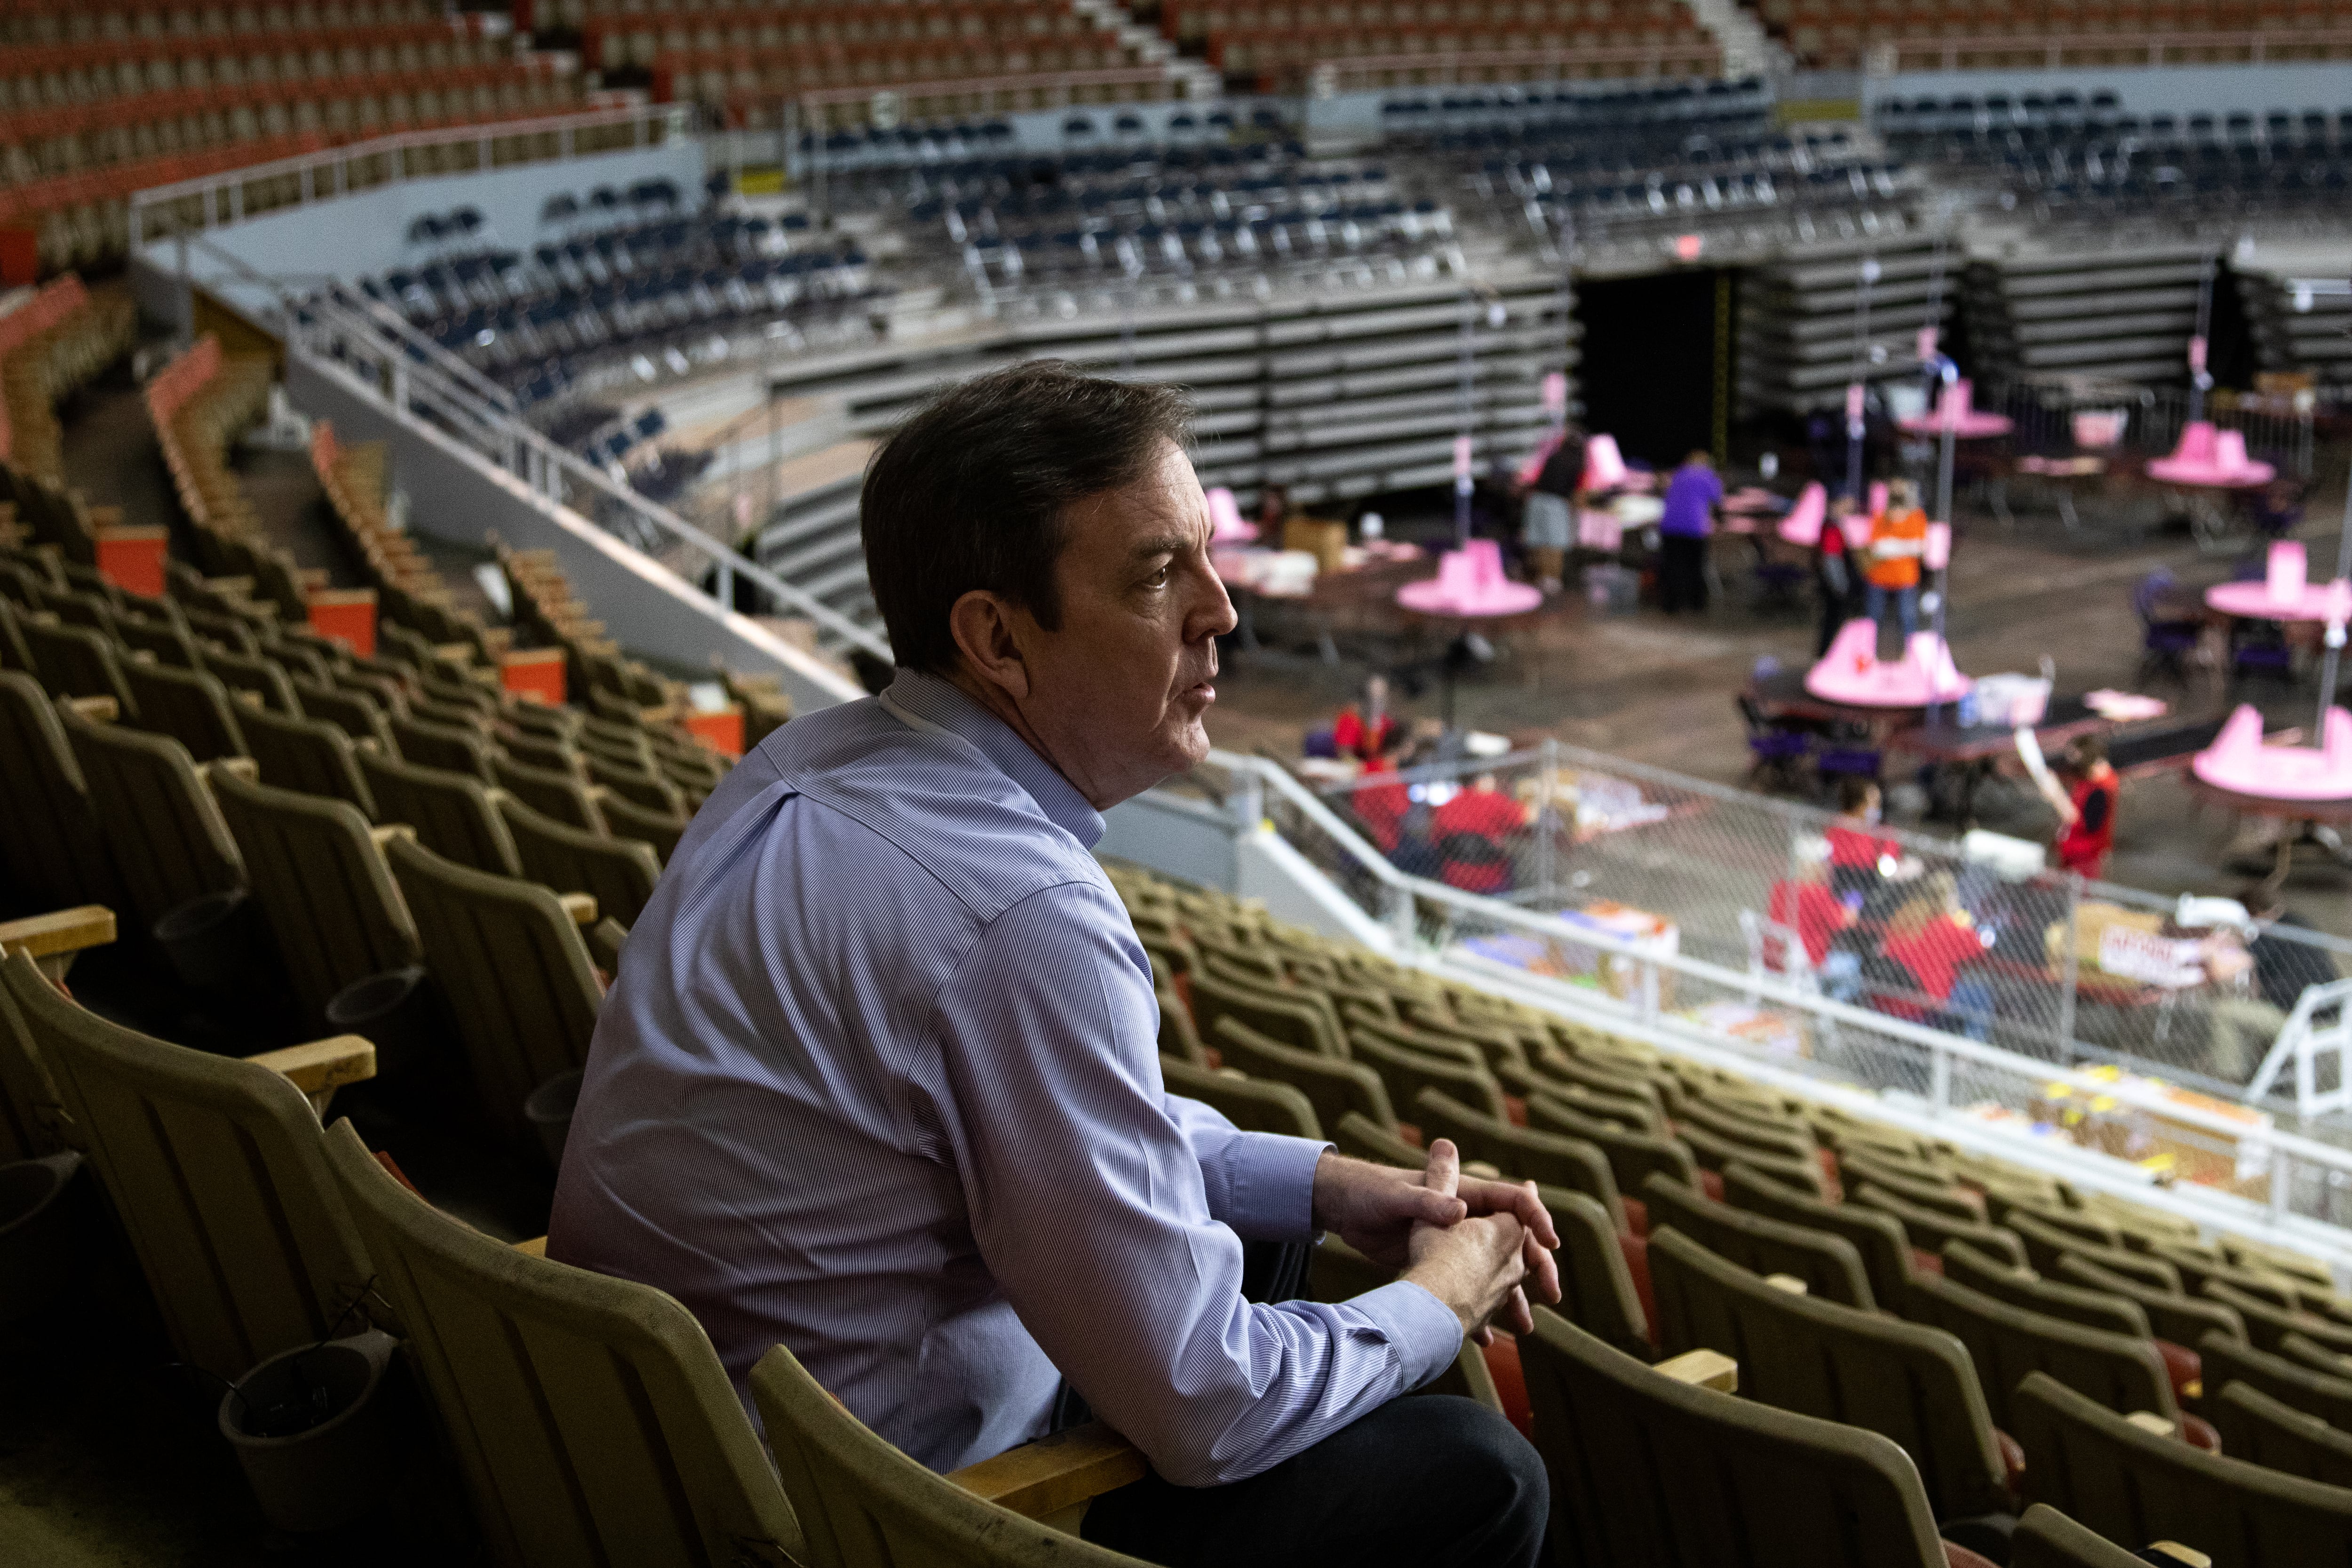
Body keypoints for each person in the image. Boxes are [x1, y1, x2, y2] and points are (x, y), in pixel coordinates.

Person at [548, 362, 1556, 1568]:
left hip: (700, 1453)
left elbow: (1004, 1114)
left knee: (1258, 1234)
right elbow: (1209, 1409)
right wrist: (1441, 1301)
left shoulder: (796, 766)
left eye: (1206, 555)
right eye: (1156, 573)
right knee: (1480, 1476)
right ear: (996, 639)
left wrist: (1323, 1183)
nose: (1220, 611)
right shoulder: (1021, 910)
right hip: (881, 1519)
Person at [2202, 884, 2341, 1080]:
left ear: (2254, 914)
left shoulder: (2269, 933)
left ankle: (2229, 1078)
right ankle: (2264, 1071)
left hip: (2302, 1021)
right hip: (2331, 1016)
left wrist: (2218, 948)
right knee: (2254, 1008)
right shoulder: (2299, 922)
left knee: (2226, 1011)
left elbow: (2226, 969)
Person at [2036, 734, 2119, 880]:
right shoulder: (2090, 780)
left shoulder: (2101, 789)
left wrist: (2056, 795)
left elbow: (2085, 823)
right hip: (2074, 852)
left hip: (2084, 857)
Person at [1432, 772, 1528, 894]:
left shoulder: (1447, 806)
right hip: (1491, 880)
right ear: (1483, 780)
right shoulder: (1494, 802)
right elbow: (1526, 817)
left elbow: (1436, 842)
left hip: (1454, 879)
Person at [1519, 424, 1585, 595]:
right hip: (1556, 503)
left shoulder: (1554, 457)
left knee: (1541, 541)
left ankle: (1544, 578)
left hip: (1537, 500)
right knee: (1556, 543)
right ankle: (1553, 579)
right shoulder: (1577, 463)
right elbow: (1577, 492)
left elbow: (1538, 479)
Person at [1656, 448, 1722, 614]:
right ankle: (1695, 604)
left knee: (1672, 565)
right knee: (1694, 565)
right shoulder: (1708, 476)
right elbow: (1718, 500)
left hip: (1670, 525)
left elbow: (1666, 493)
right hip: (1694, 527)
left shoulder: (1678, 473)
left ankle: (1670, 605)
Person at [1864, 477, 1927, 645]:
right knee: (1873, 620)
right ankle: (1867, 653)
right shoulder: (1880, 516)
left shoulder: (1916, 517)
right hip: (1879, 576)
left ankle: (1911, 654)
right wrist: (1904, 547)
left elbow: (1920, 548)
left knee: (1908, 618)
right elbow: (1877, 549)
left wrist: (1892, 546)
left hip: (1906, 578)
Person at [1815, 493, 1859, 658]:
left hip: (1834, 573)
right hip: (1833, 575)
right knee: (1833, 617)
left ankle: (1829, 652)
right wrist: (1841, 586)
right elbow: (1831, 556)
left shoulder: (1835, 523)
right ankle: (1827, 652)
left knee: (1834, 617)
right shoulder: (1832, 523)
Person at [1331, 673, 1397, 763]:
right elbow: (1344, 752)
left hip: (1380, 769)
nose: (1378, 701)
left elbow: (1395, 748)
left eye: (1382, 696)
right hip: (1356, 769)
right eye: (1373, 697)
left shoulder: (1386, 721)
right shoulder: (1350, 718)